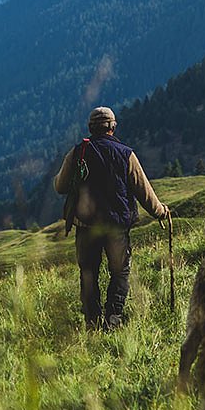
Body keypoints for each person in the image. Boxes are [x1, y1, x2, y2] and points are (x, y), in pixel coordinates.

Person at [54, 107, 169, 331]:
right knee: (120, 273)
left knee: (89, 273)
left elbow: (60, 187)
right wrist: (160, 211)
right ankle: (112, 320)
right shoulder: (126, 154)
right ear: (113, 127)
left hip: (86, 227)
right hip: (116, 227)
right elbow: (143, 190)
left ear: (90, 128)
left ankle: (92, 322)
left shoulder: (78, 152)